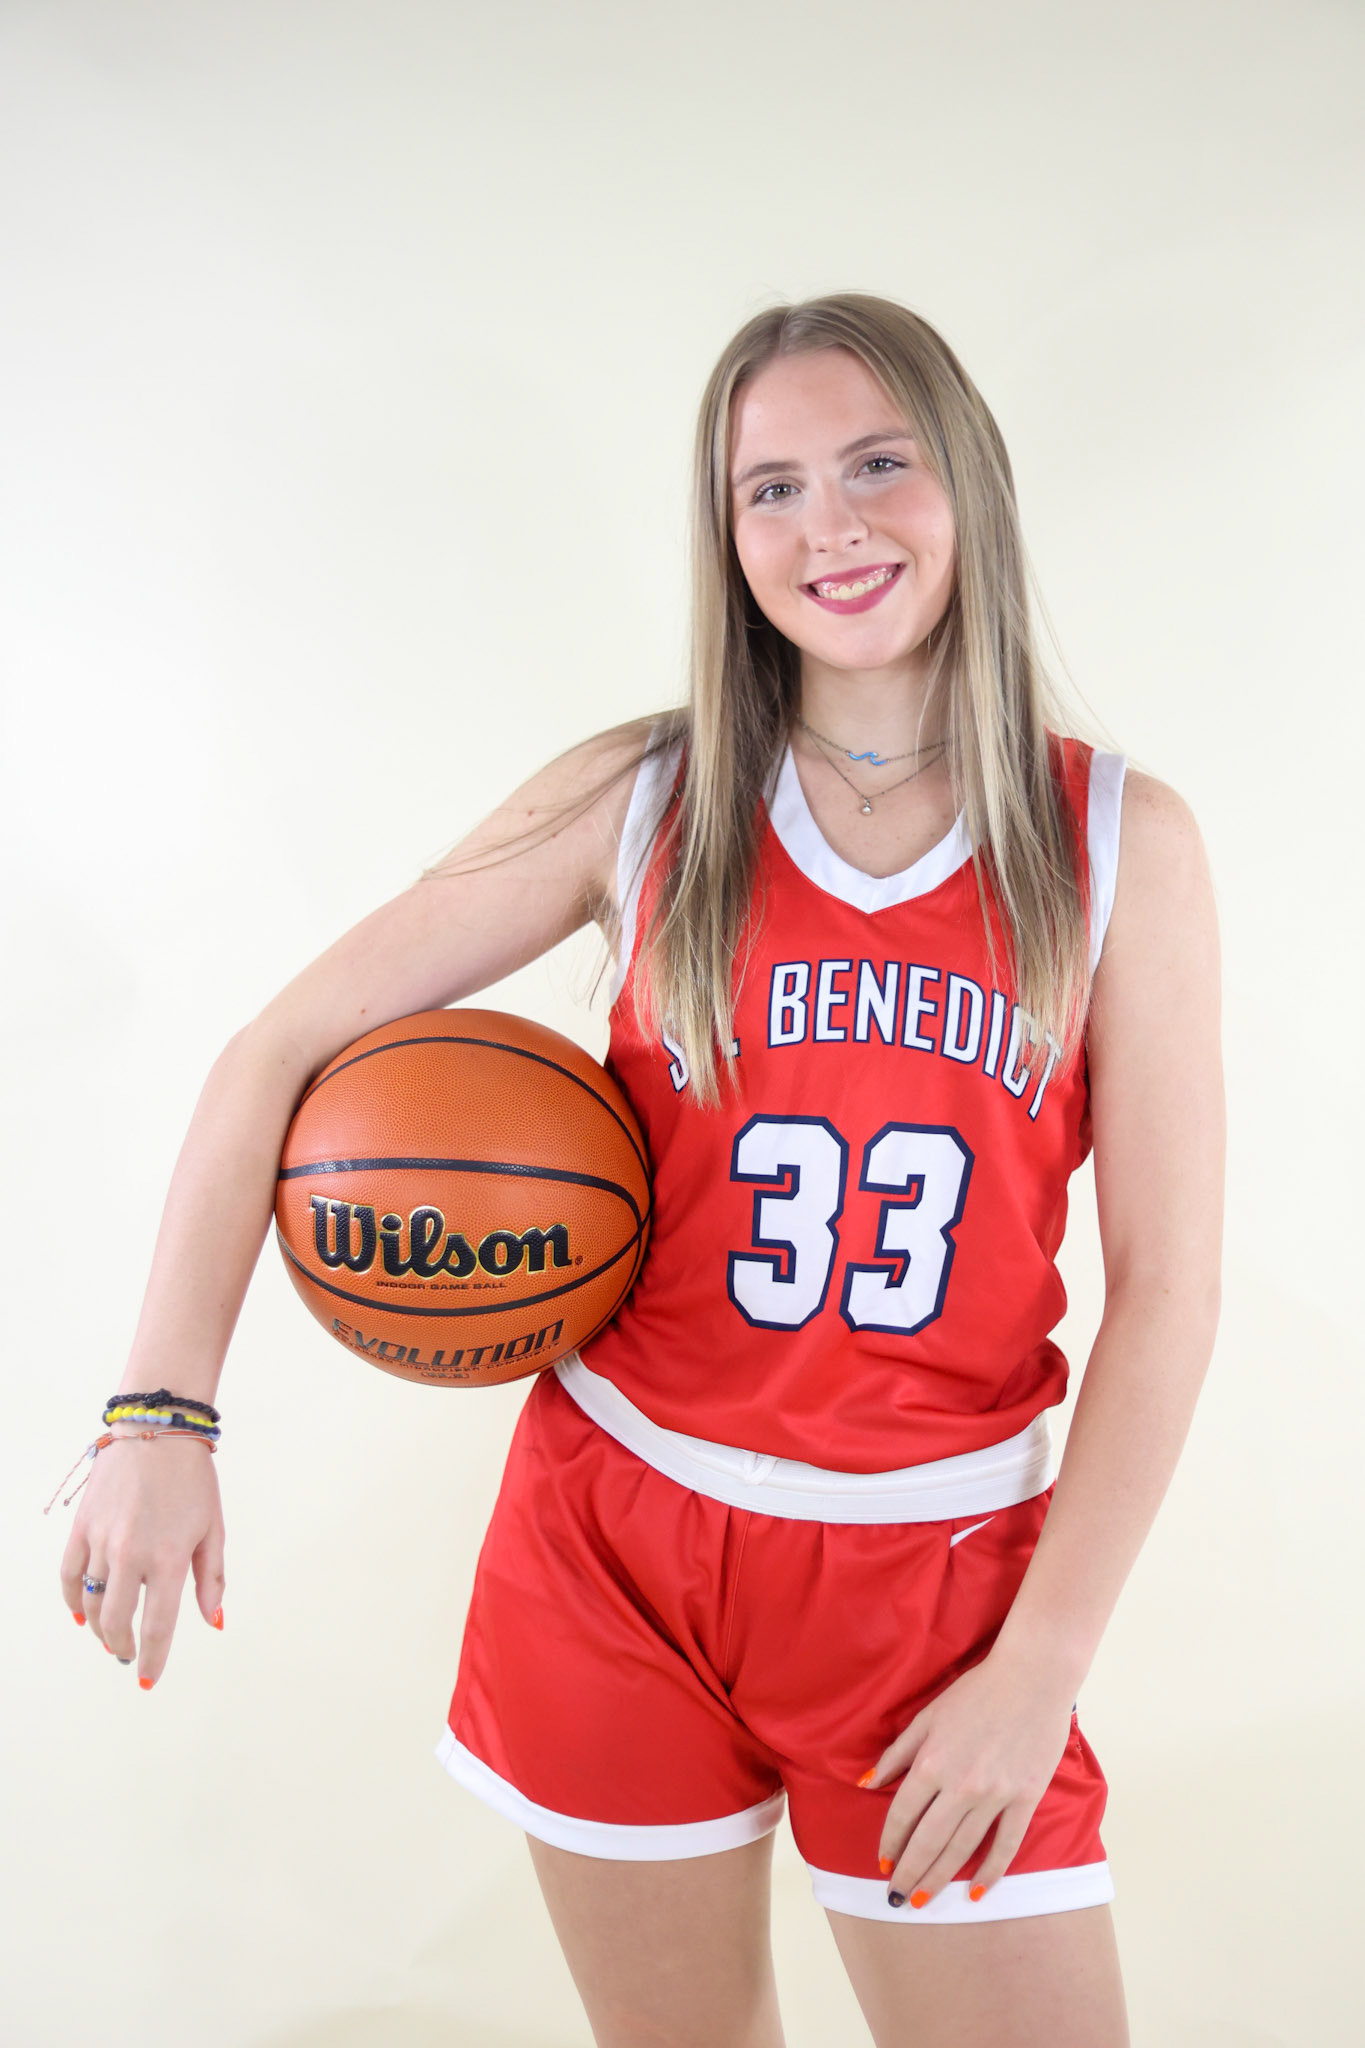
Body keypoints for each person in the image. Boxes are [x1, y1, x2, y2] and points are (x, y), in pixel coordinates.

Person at [58, 293, 1223, 2048]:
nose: (827, 525)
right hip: (615, 1546)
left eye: (876, 465)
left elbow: (1170, 1292)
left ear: (965, 483)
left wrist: (1040, 1665)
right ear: (721, 532)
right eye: (769, 488)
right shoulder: (644, 796)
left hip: (931, 1577)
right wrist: (161, 1414)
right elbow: (269, 1054)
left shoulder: (1119, 842)